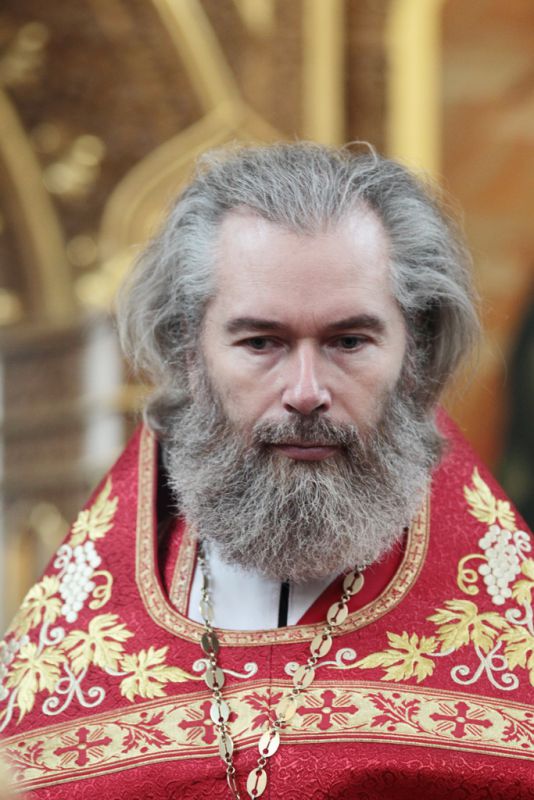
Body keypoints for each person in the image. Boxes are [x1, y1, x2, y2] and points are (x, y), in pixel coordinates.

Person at [0, 143, 532, 799]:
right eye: (261, 342)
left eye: (348, 341)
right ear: (189, 352)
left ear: (414, 355)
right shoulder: (73, 651)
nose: (305, 391)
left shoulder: (511, 646)